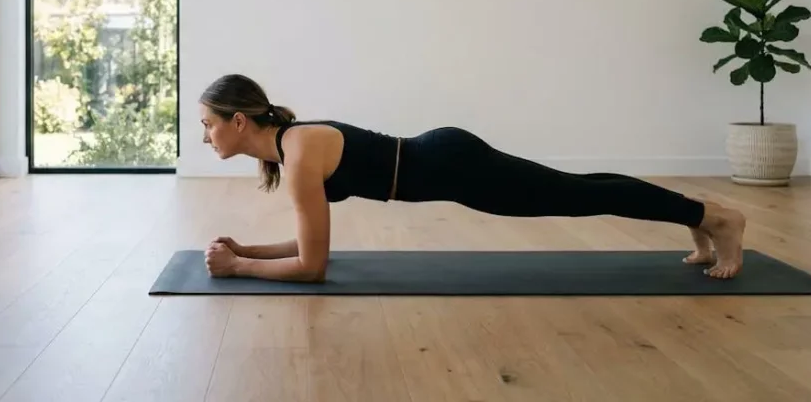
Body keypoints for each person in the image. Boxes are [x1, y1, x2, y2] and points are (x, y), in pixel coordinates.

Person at [198, 73, 747, 282]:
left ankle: (715, 218)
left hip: (456, 168)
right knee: (578, 188)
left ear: (238, 121)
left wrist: (240, 267)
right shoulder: (292, 150)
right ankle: (695, 214)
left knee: (577, 195)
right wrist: (246, 249)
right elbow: (310, 245)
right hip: (449, 160)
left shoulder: (297, 157)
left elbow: (313, 267)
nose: (205, 137)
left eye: (207, 125)